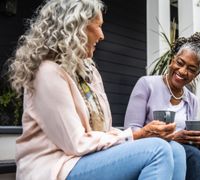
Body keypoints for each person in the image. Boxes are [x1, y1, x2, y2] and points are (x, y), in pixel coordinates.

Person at [8, 0, 186, 179]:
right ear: (76, 28)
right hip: (56, 167)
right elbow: (75, 144)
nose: (102, 35)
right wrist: (137, 134)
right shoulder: (48, 72)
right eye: (98, 26)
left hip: (88, 159)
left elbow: (104, 131)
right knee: (157, 150)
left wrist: (138, 134)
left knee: (176, 149)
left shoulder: (87, 70)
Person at [124, 32, 200, 180]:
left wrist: (197, 137)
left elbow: (187, 135)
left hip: (184, 149)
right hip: (152, 148)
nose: (182, 71)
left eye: (191, 69)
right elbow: (131, 131)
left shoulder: (192, 100)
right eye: (180, 63)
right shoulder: (147, 84)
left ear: (196, 74)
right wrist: (174, 138)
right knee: (193, 155)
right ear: (172, 60)